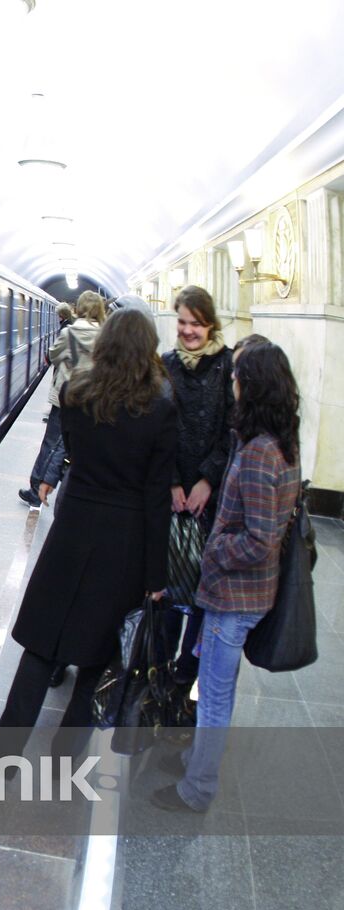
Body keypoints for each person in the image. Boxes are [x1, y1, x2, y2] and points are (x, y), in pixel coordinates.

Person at [0, 309, 175, 763]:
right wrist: (156, 573)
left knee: (40, 645)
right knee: (96, 655)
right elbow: (157, 497)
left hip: (72, 528)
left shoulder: (77, 394)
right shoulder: (161, 409)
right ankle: (64, 760)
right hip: (124, 542)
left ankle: (0, 756)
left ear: (105, 344)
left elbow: (70, 451)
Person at [153, 340, 301, 813]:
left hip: (234, 596)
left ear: (252, 387)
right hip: (244, 594)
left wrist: (213, 551)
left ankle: (197, 789)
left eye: (237, 377)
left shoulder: (259, 454)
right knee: (219, 687)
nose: (231, 385)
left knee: (215, 697)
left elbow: (260, 539)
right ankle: (198, 757)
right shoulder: (282, 444)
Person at [161, 285, 234, 682]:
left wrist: (208, 478)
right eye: (183, 322)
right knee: (169, 578)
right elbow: (160, 427)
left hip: (212, 495)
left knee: (203, 581)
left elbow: (231, 430)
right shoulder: (166, 364)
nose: (188, 331)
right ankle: (161, 658)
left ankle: (186, 668)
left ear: (210, 325)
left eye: (197, 324)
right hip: (170, 494)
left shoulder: (228, 365)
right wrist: (172, 482)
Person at [18, 291, 105, 508]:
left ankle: (37, 489)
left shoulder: (70, 333)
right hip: (92, 400)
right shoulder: (105, 335)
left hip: (66, 397)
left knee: (52, 443)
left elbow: (53, 356)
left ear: (80, 308)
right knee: (77, 445)